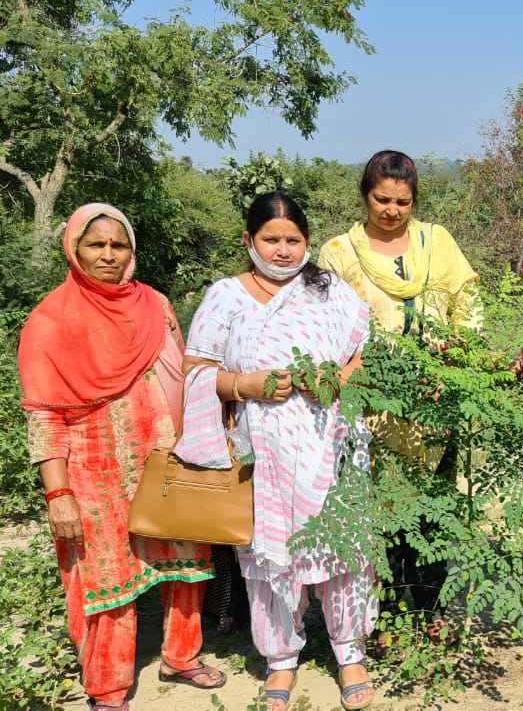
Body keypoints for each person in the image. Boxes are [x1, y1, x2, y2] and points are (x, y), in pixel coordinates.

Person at [19, 203, 224, 711]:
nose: (109, 255)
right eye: (97, 245)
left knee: (184, 564)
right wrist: (58, 492)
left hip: (164, 458)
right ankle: (107, 688)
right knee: (106, 579)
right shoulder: (50, 321)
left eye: (119, 245)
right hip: (93, 471)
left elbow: (186, 377)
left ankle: (182, 656)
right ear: (74, 249)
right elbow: (44, 414)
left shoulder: (154, 305)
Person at [184, 192, 377, 711]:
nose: (284, 250)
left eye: (294, 240)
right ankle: (280, 660)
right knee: (270, 556)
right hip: (262, 451)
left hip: (332, 443)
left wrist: (337, 379)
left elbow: (366, 352)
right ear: (249, 241)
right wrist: (247, 383)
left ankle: (350, 652)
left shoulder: (331, 292)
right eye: (272, 239)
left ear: (308, 243)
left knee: (344, 547)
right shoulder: (225, 296)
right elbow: (197, 372)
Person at [317, 149, 481, 616]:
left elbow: (466, 303)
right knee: (381, 511)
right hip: (372, 402)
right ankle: (387, 612)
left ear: (415, 201)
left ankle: (429, 609)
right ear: (365, 196)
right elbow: (326, 326)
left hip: (434, 400)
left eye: (402, 202)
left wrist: (455, 360)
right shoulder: (340, 253)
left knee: (432, 508)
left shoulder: (437, 242)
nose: (391, 210)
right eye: (381, 199)